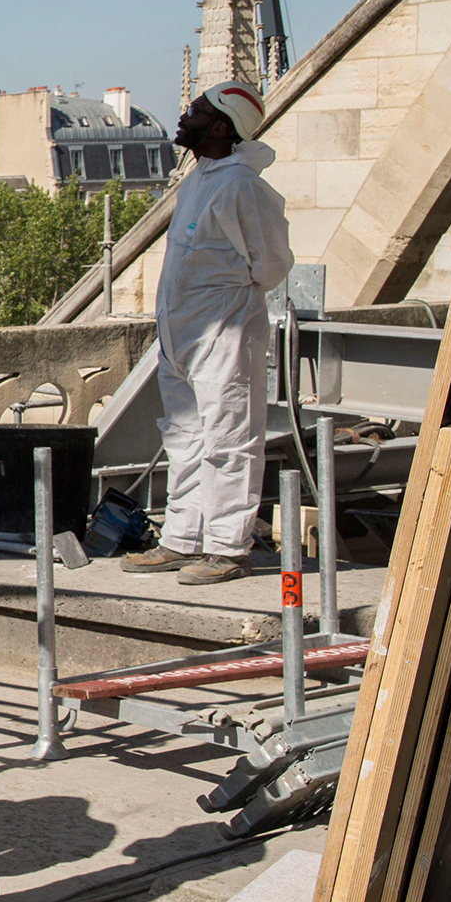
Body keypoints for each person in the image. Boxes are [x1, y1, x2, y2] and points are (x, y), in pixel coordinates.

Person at [126, 81, 292, 586]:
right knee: (185, 437)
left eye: (197, 112)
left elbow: (272, 264)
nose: (185, 117)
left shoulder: (242, 186)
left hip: (223, 331)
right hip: (183, 334)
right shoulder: (200, 177)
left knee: (230, 440)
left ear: (221, 127)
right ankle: (181, 539)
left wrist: (226, 303)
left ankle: (227, 548)